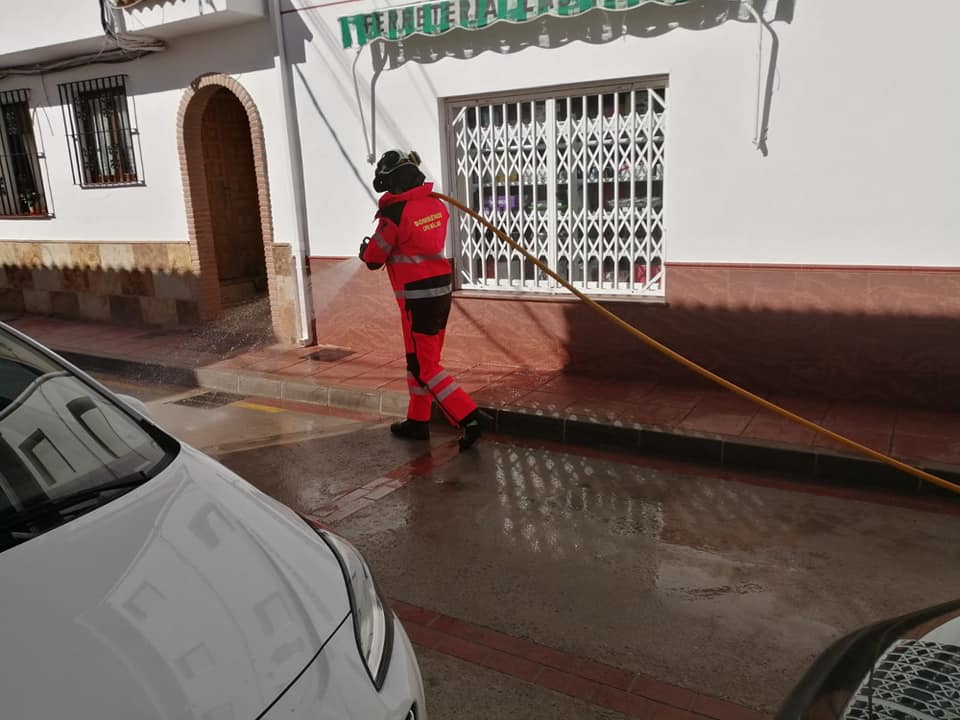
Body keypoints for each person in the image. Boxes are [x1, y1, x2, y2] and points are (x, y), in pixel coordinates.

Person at [359, 150, 486, 450]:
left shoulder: (394, 215)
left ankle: (470, 417)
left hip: (416, 300)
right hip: (439, 292)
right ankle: (417, 422)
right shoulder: (436, 205)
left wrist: (365, 252)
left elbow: (375, 258)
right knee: (419, 362)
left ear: (394, 182)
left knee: (425, 367)